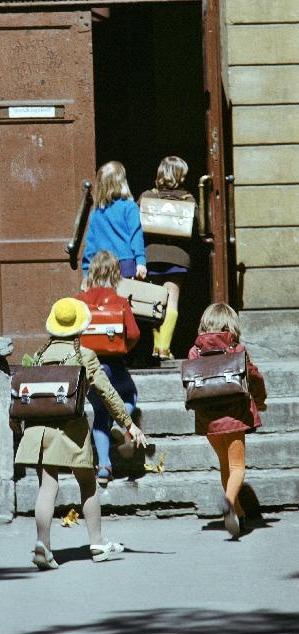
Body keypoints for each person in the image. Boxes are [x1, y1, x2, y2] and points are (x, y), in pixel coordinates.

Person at [11, 297, 147, 570]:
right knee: (88, 484)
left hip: (39, 430)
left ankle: (43, 544)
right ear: (79, 326)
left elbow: (19, 390)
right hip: (71, 430)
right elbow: (107, 393)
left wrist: (13, 420)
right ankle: (97, 542)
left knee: (47, 487)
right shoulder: (85, 355)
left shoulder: (37, 356)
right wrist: (128, 424)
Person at [187, 302, 267, 538]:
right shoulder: (237, 349)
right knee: (237, 467)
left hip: (207, 417)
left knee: (225, 465)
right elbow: (254, 377)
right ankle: (230, 502)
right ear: (231, 324)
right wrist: (260, 400)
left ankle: (239, 515)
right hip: (234, 415)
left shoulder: (194, 351)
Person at [76, 250, 141, 486]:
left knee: (100, 414)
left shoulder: (79, 302)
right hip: (113, 365)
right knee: (130, 394)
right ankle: (120, 421)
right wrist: (123, 347)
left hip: (89, 366)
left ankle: (104, 466)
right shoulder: (119, 301)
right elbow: (134, 334)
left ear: (90, 273)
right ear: (116, 275)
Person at [138, 156, 198, 360]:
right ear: (180, 176)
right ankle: (164, 348)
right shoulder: (188, 199)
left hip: (152, 256)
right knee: (172, 301)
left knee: (155, 304)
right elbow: (198, 225)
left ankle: (156, 348)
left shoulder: (147, 196)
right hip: (177, 257)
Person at [82, 160, 146, 285]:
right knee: (125, 303)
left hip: (102, 268)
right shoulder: (130, 207)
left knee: (105, 303)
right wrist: (140, 262)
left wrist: (86, 272)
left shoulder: (97, 213)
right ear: (122, 182)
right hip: (126, 265)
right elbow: (136, 236)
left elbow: (90, 245)